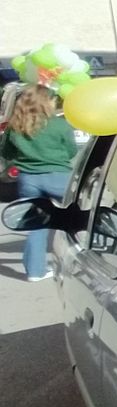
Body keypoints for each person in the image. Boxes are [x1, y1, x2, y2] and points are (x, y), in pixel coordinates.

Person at [0, 84, 79, 282]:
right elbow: (72, 150)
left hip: (28, 179)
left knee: (36, 224)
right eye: (52, 99)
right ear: (45, 101)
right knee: (77, 218)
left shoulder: (15, 126)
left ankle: (35, 272)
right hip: (58, 177)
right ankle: (81, 261)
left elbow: (6, 152)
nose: (54, 103)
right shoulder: (59, 124)